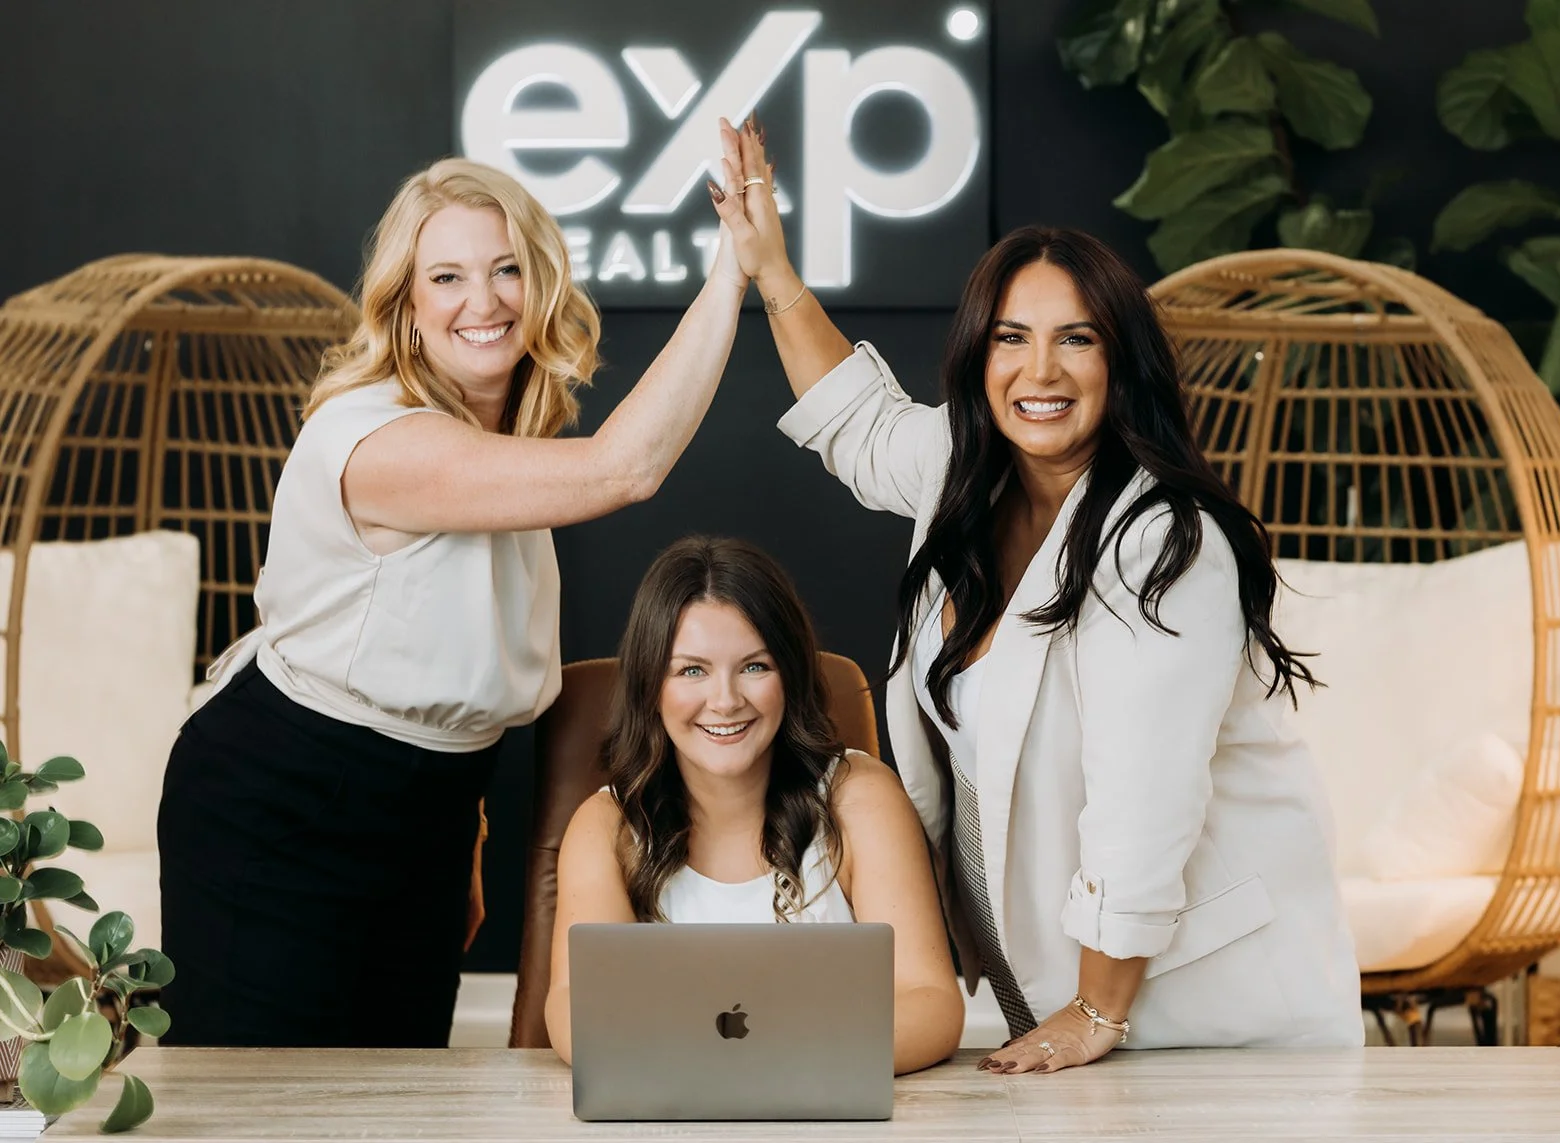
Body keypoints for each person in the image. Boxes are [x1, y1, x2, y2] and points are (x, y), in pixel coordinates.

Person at [712, 120, 1363, 1073]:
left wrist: (1097, 1011)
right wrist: (770, 269)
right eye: (1012, 338)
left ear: (1120, 362)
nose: (1040, 371)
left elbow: (1145, 800)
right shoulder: (962, 474)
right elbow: (854, 420)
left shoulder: (1166, 545)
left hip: (1208, 1020)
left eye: (1076, 340)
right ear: (980, 354)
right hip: (1062, 1002)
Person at [157, 135, 762, 1048]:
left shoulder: (496, 452)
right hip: (283, 797)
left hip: (426, 812)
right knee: (259, 1103)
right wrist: (733, 274)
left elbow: (447, 664)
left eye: (506, 269)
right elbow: (624, 467)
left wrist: (459, 826)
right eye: (446, 278)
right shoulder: (379, 442)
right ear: (404, 307)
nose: (482, 302)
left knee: (395, 1103)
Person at [545, 536, 965, 1075]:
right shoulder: (606, 828)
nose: (725, 700)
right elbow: (576, 1010)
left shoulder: (861, 798)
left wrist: (754, 1066)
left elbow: (930, 1005)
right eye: (691, 670)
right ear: (652, 686)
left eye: (754, 666)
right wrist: (735, 1070)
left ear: (789, 674)